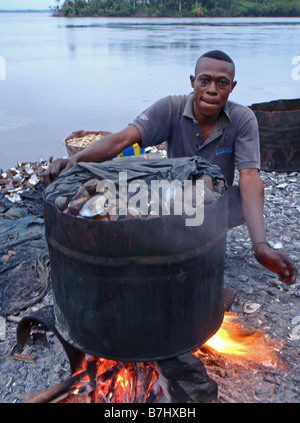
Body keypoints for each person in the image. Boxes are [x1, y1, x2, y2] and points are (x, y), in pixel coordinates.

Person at [42, 50, 297, 285]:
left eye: (222, 83)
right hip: (172, 201)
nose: (212, 90)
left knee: (243, 197)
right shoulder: (171, 108)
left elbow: (250, 176)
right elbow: (121, 140)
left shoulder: (242, 119)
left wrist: (260, 244)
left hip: (215, 207)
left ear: (232, 87)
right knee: (132, 199)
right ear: (192, 81)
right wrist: (74, 160)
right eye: (204, 81)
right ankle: (165, 249)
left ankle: (208, 244)